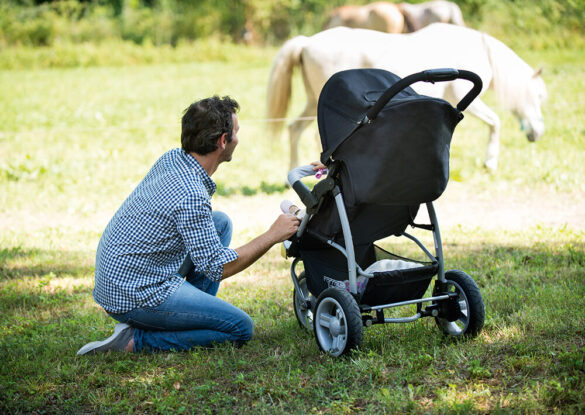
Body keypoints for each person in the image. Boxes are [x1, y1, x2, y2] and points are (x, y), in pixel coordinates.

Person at [77, 96, 300, 355]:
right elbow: (218, 267)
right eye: (236, 132)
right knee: (240, 328)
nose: (239, 138)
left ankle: (187, 315)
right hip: (133, 294)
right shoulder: (191, 193)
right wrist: (272, 235)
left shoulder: (174, 158)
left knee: (220, 224)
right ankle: (135, 341)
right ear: (222, 141)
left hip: (124, 276)